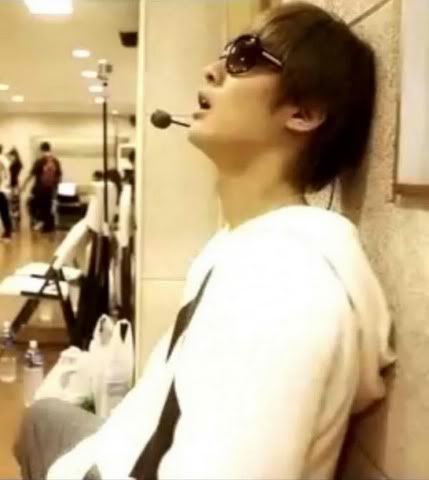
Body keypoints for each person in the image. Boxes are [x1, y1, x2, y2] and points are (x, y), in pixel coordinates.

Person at [15, 3, 394, 480]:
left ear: (304, 113)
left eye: (244, 57)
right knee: (42, 419)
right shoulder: (240, 242)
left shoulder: (283, 290)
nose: (211, 70)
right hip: (129, 454)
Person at [21, 141, 62, 233]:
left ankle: (39, 222)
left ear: (41, 150)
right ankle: (47, 227)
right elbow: (59, 176)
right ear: (50, 149)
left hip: (39, 189)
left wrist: (23, 185)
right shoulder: (55, 161)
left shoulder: (39, 161)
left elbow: (31, 174)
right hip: (50, 189)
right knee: (48, 207)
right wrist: (55, 188)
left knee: (30, 204)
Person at [0, 144, 12, 241]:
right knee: (4, 212)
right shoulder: (5, 159)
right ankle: (7, 233)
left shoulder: (1, 160)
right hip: (5, 189)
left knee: (4, 212)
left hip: (1, 189)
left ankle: (7, 233)